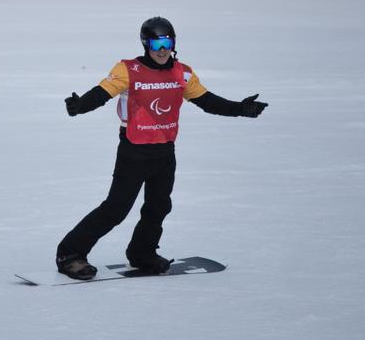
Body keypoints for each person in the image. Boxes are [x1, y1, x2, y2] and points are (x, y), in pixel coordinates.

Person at [55, 16, 268, 280]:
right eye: (156, 42)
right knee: (116, 208)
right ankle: (70, 254)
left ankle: (142, 254)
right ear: (145, 43)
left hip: (165, 152)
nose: (162, 49)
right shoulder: (127, 70)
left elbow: (207, 101)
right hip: (133, 150)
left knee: (158, 207)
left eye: (167, 42)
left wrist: (240, 109)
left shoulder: (183, 73)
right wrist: (81, 106)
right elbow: (102, 92)